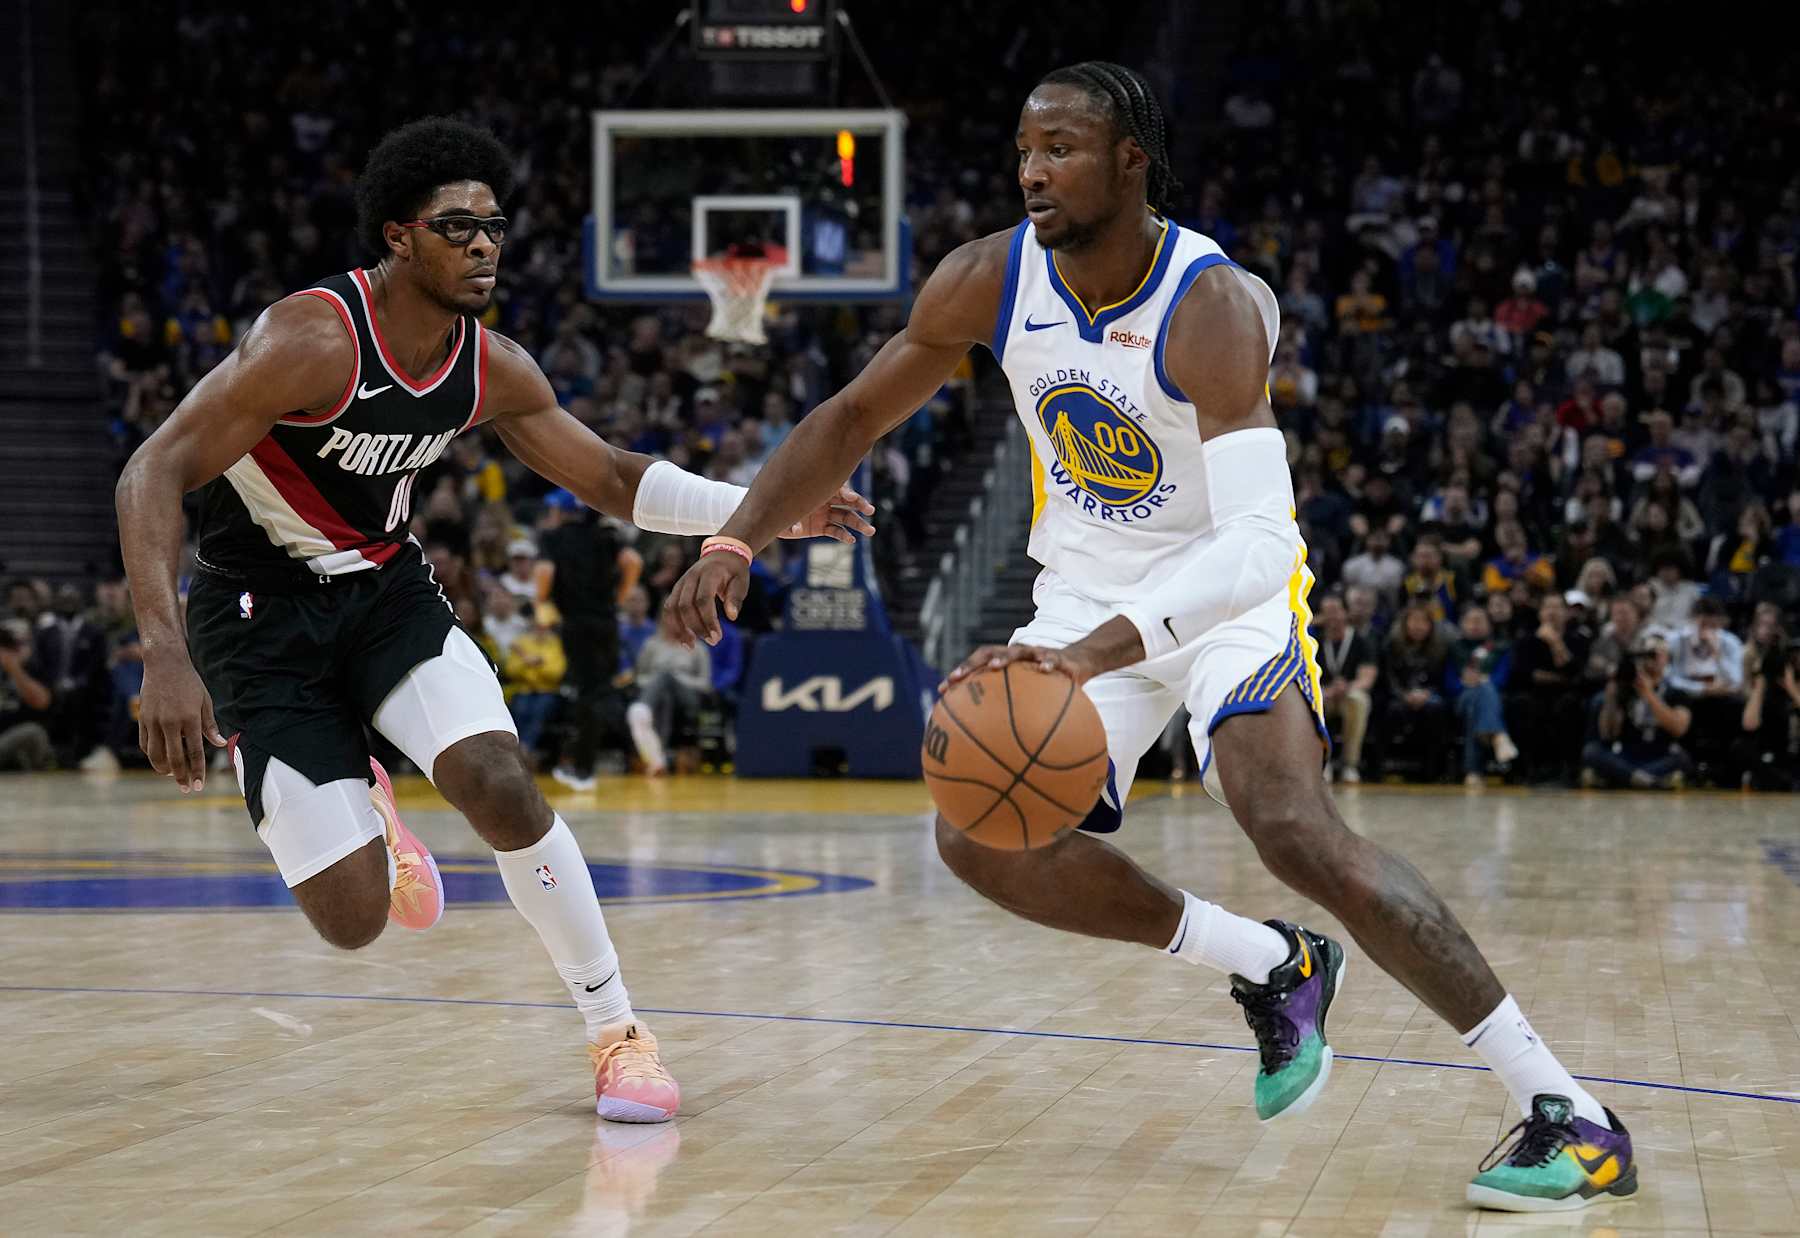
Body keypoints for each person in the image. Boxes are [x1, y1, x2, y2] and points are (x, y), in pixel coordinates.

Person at [661, 63, 1636, 1210]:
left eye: (1062, 146)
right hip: (1082, 587)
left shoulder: (1209, 303)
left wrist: (1088, 656)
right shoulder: (987, 278)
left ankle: (1569, 1111)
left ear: (1132, 159)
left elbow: (1262, 546)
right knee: (977, 836)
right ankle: (1273, 962)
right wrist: (736, 539)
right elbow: (851, 417)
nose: (1033, 168)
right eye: (1025, 146)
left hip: (1221, 586)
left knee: (1289, 824)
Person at [112, 118, 872, 1125]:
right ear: (398, 237)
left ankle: (618, 1033)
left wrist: (761, 509)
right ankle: (372, 803)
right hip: (254, 614)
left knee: (497, 779)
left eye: (495, 227)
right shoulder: (311, 340)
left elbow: (609, 474)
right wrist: (163, 650)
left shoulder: (490, 366)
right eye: (456, 226)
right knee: (351, 920)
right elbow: (152, 466)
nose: (482, 245)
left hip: (385, 593)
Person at [1581, 637, 1692, 788]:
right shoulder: (1625, 690)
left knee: (1682, 758)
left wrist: (1649, 694)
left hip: (1660, 751)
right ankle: (1648, 781)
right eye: (1645, 655)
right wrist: (1611, 697)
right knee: (1591, 751)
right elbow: (1608, 734)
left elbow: (1678, 729)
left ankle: (1623, 778)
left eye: (1655, 654)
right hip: (1628, 752)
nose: (1650, 660)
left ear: (1667, 659)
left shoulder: (1677, 693)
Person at [624, 604, 714, 777]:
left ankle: (641, 710)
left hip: (688, 697)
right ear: (663, 619)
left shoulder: (698, 648)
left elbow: (705, 683)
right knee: (663, 693)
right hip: (659, 696)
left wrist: (675, 678)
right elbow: (641, 676)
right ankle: (657, 761)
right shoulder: (651, 645)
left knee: (665, 677)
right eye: (671, 616)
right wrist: (661, 680)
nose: (676, 622)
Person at [1447, 605, 1518, 786]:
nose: (1475, 625)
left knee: (1478, 702)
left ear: (1489, 625)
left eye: (1480, 621)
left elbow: (1503, 679)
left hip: (1492, 699)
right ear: (1462, 624)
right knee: (1479, 693)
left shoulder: (1501, 647)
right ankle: (1499, 737)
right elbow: (1448, 683)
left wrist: (1481, 681)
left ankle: (1473, 772)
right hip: (1461, 698)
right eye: (1471, 621)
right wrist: (1464, 683)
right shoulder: (1454, 648)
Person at [1310, 593, 1376, 783]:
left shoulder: (1361, 641)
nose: (1332, 617)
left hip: (1349, 694)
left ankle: (1350, 764)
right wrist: (1325, 690)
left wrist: (1346, 688)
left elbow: (1367, 678)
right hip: (1324, 695)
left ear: (1346, 613)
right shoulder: (1314, 641)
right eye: (1326, 612)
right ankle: (1322, 762)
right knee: (1311, 700)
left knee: (1358, 700)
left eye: (1336, 611)